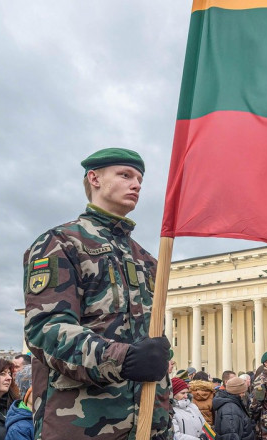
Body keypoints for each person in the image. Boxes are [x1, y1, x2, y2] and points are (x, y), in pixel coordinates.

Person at [23, 148, 172, 440]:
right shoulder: (62, 242)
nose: (137, 184)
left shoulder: (147, 260)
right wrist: (123, 358)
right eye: (126, 175)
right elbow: (45, 331)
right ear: (95, 179)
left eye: (140, 179)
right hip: (83, 424)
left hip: (148, 425)